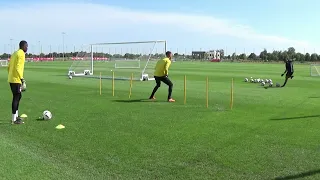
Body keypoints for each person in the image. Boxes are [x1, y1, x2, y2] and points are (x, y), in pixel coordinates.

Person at [7, 40, 28, 124]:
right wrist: (22, 79)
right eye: (26, 46)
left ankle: (16, 116)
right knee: (16, 97)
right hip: (16, 79)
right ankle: (14, 119)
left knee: (18, 96)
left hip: (12, 78)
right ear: (23, 46)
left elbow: (8, 67)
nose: (27, 48)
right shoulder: (21, 54)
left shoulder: (14, 53)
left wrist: (11, 76)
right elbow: (18, 67)